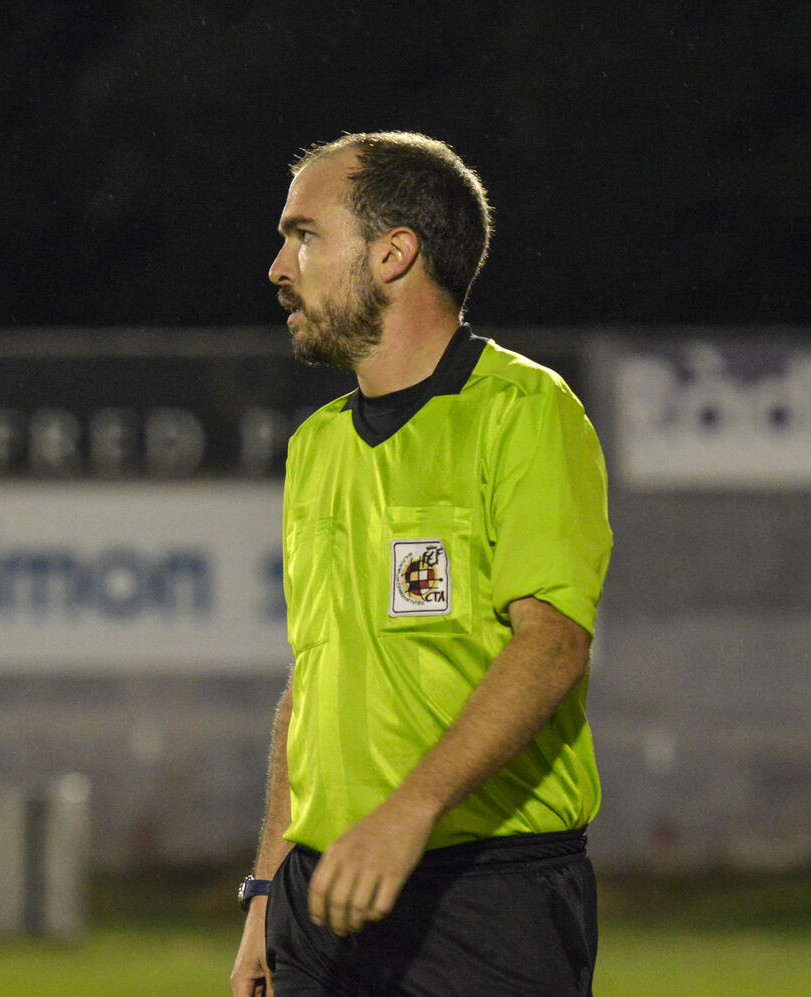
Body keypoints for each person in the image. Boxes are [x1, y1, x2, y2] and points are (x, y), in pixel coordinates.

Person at [230, 131, 612, 997]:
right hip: (319, 900)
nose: (279, 268)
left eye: (305, 235)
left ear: (393, 253)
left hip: (483, 896)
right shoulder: (318, 445)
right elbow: (313, 684)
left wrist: (408, 813)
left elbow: (552, 644)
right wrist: (265, 889)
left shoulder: (525, 411)